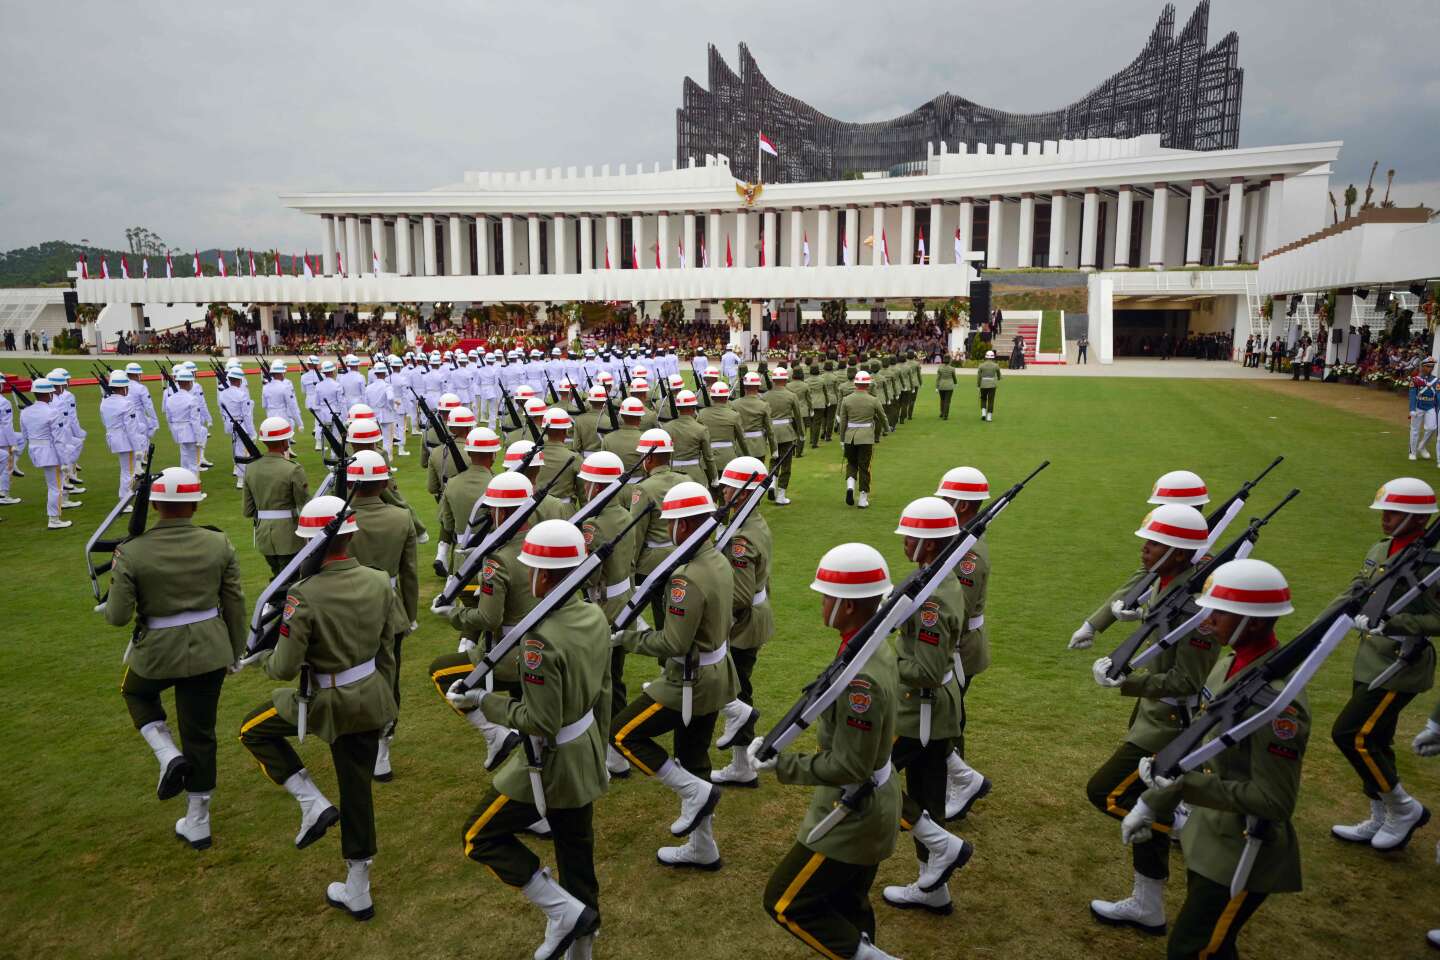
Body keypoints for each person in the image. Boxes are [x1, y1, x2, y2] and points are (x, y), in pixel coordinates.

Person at [1121, 559, 1305, 960]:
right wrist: (1150, 802)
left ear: (1253, 623)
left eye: (1221, 611)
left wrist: (1185, 786)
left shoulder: (1278, 706)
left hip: (1243, 850)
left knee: (1194, 949)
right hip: (1210, 838)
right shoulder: (1228, 666)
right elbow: (1201, 749)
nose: (1209, 618)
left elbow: (1275, 800)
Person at [445, 520, 609, 959]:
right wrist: (600, 746)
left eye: (532, 570)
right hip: (586, 746)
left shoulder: (540, 639)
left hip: (551, 760)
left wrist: (484, 702)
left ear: (545, 575)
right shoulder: (593, 614)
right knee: (576, 851)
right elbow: (604, 690)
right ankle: (582, 945)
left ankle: (562, 913)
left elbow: (539, 720)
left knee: (479, 836)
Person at [238, 495, 404, 920]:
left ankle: (310, 801)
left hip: (323, 701)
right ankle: (358, 887)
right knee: (357, 791)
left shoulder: (303, 594)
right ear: (350, 536)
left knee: (253, 731)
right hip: (370, 693)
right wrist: (385, 695)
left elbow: (285, 667)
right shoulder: (378, 580)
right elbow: (389, 645)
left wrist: (264, 658)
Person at [757, 543, 903, 960]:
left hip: (854, 811)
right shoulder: (866, 646)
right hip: (866, 802)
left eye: (827, 596)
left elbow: (850, 763)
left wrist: (782, 765)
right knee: (848, 903)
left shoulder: (862, 679)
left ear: (848, 606)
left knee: (786, 901)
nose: (822, 603)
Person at [1086, 503, 1217, 935]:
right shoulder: (1170, 584)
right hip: (1155, 716)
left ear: (1179, 554)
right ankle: (1148, 902)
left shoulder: (1194, 606)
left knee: (1109, 793)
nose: (1144, 550)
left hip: (1170, 725)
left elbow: (1185, 681)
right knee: (1142, 799)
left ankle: (1185, 825)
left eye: (1155, 545)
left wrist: (1127, 681)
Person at [104, 467, 246, 850]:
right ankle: (198, 821)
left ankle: (167, 754)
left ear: (154, 505)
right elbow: (234, 601)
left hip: (157, 651)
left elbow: (118, 617)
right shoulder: (219, 543)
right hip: (210, 647)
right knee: (200, 733)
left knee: (136, 692)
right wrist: (235, 651)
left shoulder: (132, 551)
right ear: (195, 506)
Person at [611, 481, 737, 870]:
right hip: (716, 671)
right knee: (692, 755)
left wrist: (626, 638)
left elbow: (673, 643)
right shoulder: (716, 558)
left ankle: (693, 794)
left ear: (687, 525)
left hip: (690, 680)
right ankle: (703, 845)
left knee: (622, 734)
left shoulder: (687, 577)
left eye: (674, 524)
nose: (670, 531)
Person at [879, 498, 975, 915]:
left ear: (929, 544)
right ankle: (933, 887)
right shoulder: (933, 577)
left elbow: (928, 669)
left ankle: (941, 847)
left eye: (910, 536)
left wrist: (882, 660)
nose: (904, 541)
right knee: (926, 790)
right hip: (932, 710)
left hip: (921, 707)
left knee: (865, 776)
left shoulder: (934, 596)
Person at [1329, 478, 1436, 851]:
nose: (1385, 519)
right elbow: (1358, 587)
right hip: (1370, 660)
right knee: (1377, 740)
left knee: (1351, 735)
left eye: (1394, 513)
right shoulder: (1382, 548)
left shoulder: (1432, 564)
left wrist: (1392, 621)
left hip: (1401, 665)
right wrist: (1323, 623)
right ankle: (1380, 815)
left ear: (1417, 518)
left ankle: (1403, 808)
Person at [1067, 471, 1211, 651]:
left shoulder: (1197, 564)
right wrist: (1092, 625)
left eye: (1162, 505)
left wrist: (1141, 614)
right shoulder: (1175, 554)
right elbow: (1142, 577)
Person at [346, 449, 419, 782]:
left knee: (351, 677)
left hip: (347, 606)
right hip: (391, 607)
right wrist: (412, 613)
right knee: (389, 675)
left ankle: (358, 740)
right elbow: (410, 572)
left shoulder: (341, 516)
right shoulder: (401, 517)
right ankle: (383, 748)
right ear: (384, 482)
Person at [576, 451, 640, 780]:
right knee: (615, 678)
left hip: (601, 606)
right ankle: (617, 747)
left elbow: (589, 572)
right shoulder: (624, 513)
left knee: (602, 684)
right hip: (623, 599)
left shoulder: (593, 524)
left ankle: (612, 749)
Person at [710, 457, 774, 787]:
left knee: (737, 690)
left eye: (729, 487)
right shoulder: (750, 523)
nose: (722, 490)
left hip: (742, 623)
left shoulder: (742, 537)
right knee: (738, 687)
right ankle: (739, 761)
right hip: (752, 619)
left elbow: (740, 595)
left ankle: (741, 765)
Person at [934, 467, 994, 820]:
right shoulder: (958, 537)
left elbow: (958, 608)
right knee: (946, 715)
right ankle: (952, 779)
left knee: (948, 718)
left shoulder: (969, 553)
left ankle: (959, 782)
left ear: (962, 505)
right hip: (950, 643)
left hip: (958, 646)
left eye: (946, 498)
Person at [628, 428, 687, 625]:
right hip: (686, 557)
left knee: (663, 622)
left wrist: (631, 568)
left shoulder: (643, 489)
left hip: (655, 563)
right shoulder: (686, 480)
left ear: (648, 458)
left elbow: (636, 533)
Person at [242, 418, 309, 575]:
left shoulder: (251, 468)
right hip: (289, 536)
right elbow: (304, 506)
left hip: (264, 536)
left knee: (278, 578)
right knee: (290, 582)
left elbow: (247, 510)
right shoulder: (293, 469)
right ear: (285, 442)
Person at [436, 426, 500, 579]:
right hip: (491, 553)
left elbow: (448, 524)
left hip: (461, 550)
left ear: (469, 453)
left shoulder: (452, 483)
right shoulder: (497, 484)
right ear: (493, 454)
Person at [22, 378, 74, 526]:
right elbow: (58, 439)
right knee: (55, 487)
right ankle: (54, 519)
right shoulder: (52, 412)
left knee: (53, 486)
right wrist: (64, 461)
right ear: (48, 394)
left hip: (35, 451)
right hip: (50, 453)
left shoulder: (25, 412)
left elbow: (26, 435)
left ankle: (54, 517)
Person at [837, 370, 888, 509]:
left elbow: (843, 422)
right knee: (864, 467)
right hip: (866, 437)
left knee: (851, 464)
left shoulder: (847, 399)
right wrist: (886, 429)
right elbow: (882, 417)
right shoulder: (873, 399)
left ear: (855, 383)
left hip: (850, 437)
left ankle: (850, 488)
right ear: (867, 384)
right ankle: (862, 498)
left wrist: (842, 439)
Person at [100, 370, 146, 502]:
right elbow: (130, 428)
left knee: (125, 470)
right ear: (122, 388)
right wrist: (138, 448)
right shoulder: (126, 403)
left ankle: (124, 496)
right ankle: (125, 499)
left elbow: (104, 421)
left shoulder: (104, 402)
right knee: (129, 472)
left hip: (112, 438)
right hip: (125, 440)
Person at [665, 389, 717, 487]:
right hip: (695, 474)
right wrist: (714, 477)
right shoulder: (701, 429)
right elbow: (708, 457)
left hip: (672, 473)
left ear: (678, 408)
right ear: (694, 407)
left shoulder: (666, 427)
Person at [217, 367, 254, 490]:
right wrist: (252, 432)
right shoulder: (242, 394)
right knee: (242, 451)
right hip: (241, 425)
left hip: (229, 425)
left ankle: (241, 477)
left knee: (236, 449)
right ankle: (241, 478)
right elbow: (247, 415)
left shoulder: (222, 394)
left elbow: (222, 411)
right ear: (239, 380)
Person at [164, 366, 205, 474]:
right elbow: (195, 421)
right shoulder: (192, 399)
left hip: (178, 432)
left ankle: (184, 487)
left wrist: (173, 431)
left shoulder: (170, 398)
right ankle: (193, 489)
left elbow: (169, 419)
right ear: (189, 383)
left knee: (184, 461)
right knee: (193, 464)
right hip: (190, 433)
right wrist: (199, 438)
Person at [1409, 359, 1439, 462]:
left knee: (1432, 428)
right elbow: (1412, 394)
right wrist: (1412, 409)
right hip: (1418, 406)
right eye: (1428, 366)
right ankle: (1412, 452)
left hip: (1430, 406)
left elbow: (1437, 396)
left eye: (1432, 366)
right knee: (1415, 430)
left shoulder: (1436, 380)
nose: (1430, 368)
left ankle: (1422, 446)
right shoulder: (1415, 379)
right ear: (1423, 367)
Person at [0, 374, 20, 506]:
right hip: (3, 438)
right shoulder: (3, 402)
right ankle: (4, 493)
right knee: (8, 466)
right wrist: (12, 443)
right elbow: (7, 425)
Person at [976, 350, 1000, 422]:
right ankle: (989, 417)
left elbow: (979, 376)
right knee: (991, 400)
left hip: (983, 384)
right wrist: (999, 378)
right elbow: (998, 374)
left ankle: (983, 414)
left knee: (983, 399)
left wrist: (978, 385)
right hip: (992, 384)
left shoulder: (981, 365)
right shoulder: (996, 365)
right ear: (993, 357)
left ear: (986, 357)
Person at [934, 355, 957, 420]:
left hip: (941, 386)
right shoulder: (952, 368)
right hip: (949, 386)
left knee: (942, 400)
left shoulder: (940, 368)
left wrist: (936, 387)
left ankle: (942, 412)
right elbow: (954, 377)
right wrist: (955, 383)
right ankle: (945, 415)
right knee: (947, 401)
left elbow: (938, 378)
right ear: (949, 360)